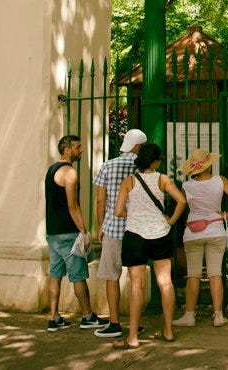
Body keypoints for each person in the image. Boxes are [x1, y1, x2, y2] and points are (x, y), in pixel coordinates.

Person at [111, 142, 187, 349]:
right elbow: (181, 201)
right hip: (160, 234)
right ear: (155, 161)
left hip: (135, 235)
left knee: (137, 285)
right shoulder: (162, 179)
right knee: (165, 283)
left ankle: (133, 337)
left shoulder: (129, 181)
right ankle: (169, 331)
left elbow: (118, 211)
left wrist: (135, 214)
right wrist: (170, 221)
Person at [172, 148, 228, 328]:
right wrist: (225, 215)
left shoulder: (187, 185)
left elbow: (183, 204)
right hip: (215, 230)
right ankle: (218, 315)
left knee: (194, 275)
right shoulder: (220, 181)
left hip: (192, 233)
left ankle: (189, 315)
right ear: (208, 165)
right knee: (215, 274)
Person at [45, 134, 105, 332]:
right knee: (78, 275)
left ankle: (54, 317)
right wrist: (83, 228)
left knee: (55, 274)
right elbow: (72, 204)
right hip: (69, 232)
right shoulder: (69, 173)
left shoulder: (51, 170)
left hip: (53, 231)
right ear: (67, 150)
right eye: (78, 147)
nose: (81, 150)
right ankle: (87, 316)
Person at [90, 128, 146, 339]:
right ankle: (136, 323)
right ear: (139, 146)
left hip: (113, 228)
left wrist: (101, 226)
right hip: (137, 228)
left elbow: (100, 200)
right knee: (137, 277)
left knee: (112, 277)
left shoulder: (107, 165)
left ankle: (114, 323)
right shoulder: (141, 167)